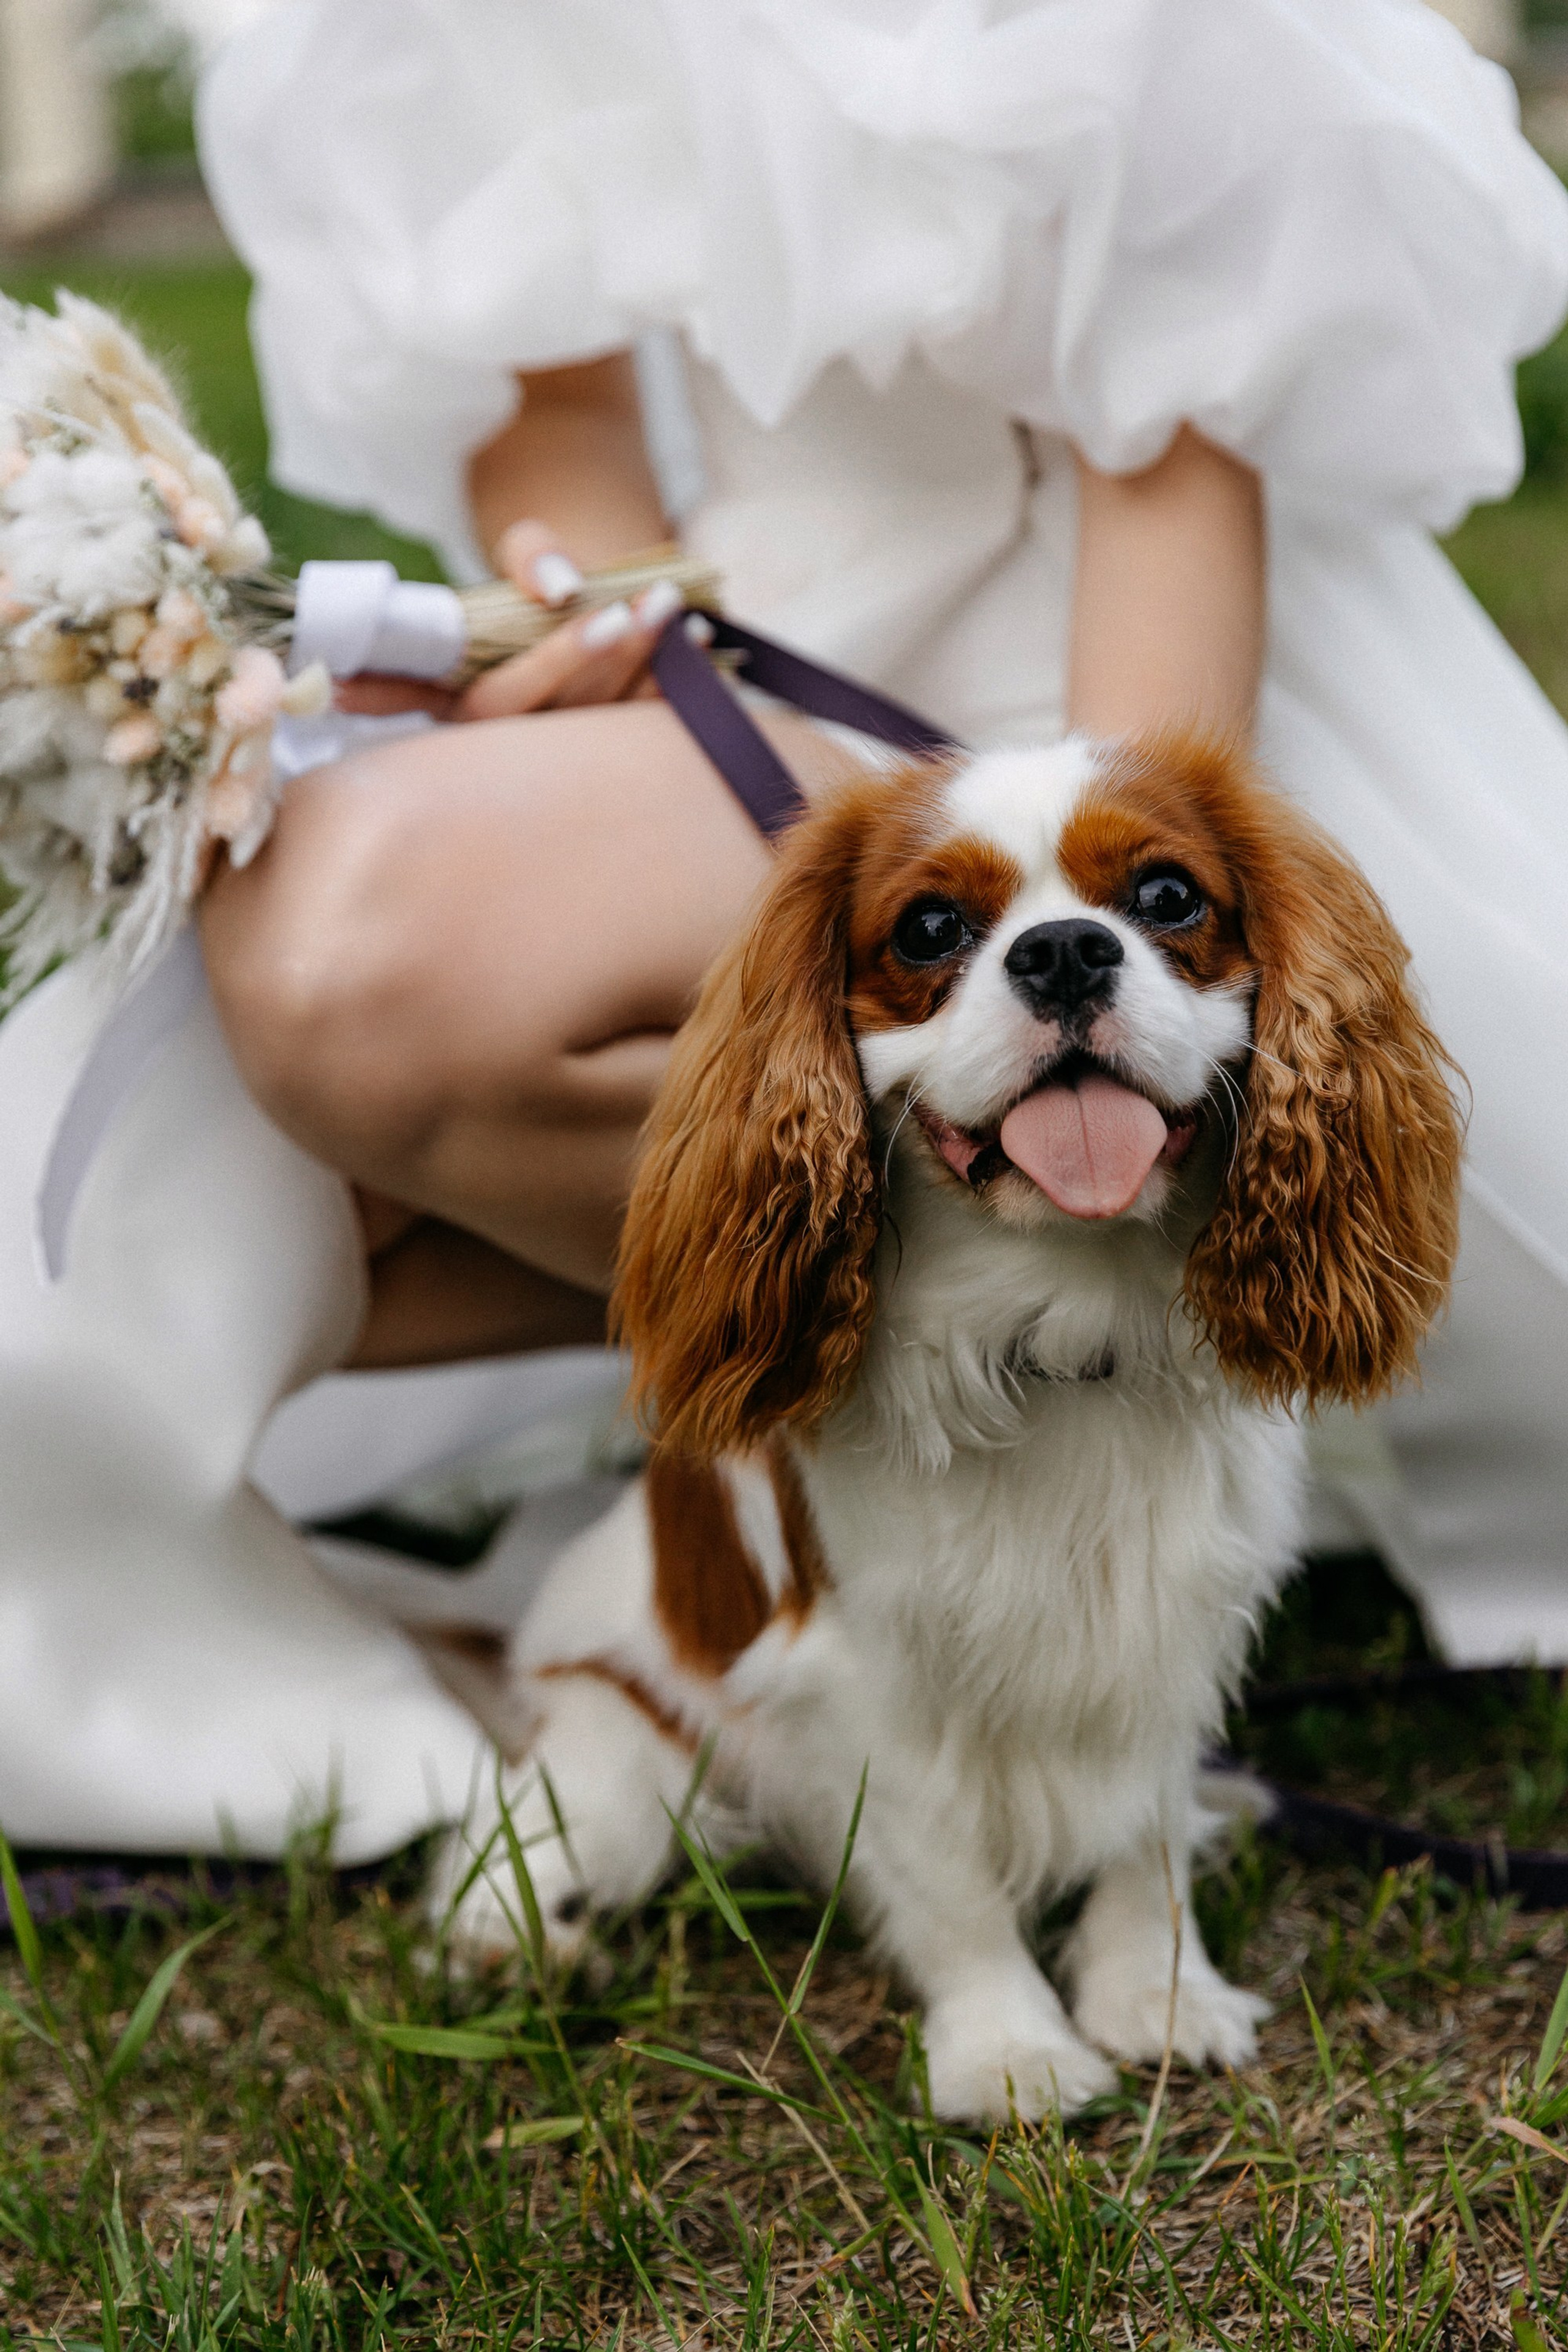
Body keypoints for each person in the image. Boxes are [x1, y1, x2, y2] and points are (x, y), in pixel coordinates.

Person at [2, 0, 1566, 1866]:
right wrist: (611, 626)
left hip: (1095, 666)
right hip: (757, 638)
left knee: (363, 959)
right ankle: (895, 1384)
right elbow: (557, 424)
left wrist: (1095, 878)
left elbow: (1169, 475)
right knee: (250, 1067)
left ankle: (1075, 1365)